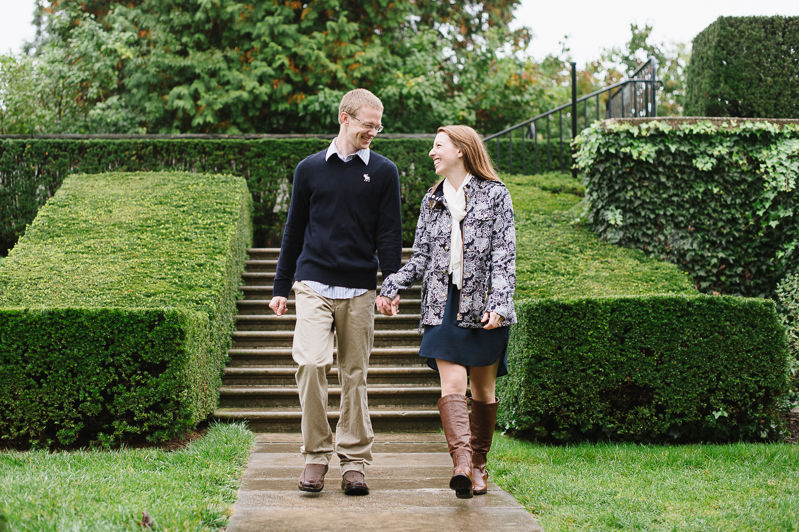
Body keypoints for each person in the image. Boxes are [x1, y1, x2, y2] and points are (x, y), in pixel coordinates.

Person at [270, 88, 403, 496]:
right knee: (310, 363)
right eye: (367, 125)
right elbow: (294, 230)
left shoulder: (383, 171)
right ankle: (315, 456)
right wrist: (280, 287)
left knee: (354, 375)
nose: (373, 133)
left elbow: (389, 234)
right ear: (344, 118)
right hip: (312, 283)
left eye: (378, 127)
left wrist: (390, 285)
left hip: (360, 287)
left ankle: (354, 461)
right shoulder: (309, 168)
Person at [377, 125, 516, 499]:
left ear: (461, 150)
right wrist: (392, 284)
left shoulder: (495, 195)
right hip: (441, 305)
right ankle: (462, 466)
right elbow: (420, 257)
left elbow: (505, 256)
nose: (432, 153)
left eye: (438, 146)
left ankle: (479, 465)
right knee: (452, 386)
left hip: (484, 304)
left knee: (483, 392)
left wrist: (500, 304)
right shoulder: (431, 199)